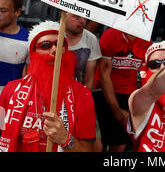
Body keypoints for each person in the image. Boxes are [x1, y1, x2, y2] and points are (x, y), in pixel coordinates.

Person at [0, 20, 96, 152]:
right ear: (33, 52)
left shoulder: (82, 94)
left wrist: (66, 139)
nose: (55, 49)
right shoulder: (10, 90)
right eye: (46, 45)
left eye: (60, 44)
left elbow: (89, 150)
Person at [93, 27, 152, 152]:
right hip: (104, 91)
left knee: (121, 145)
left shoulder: (146, 40)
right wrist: (116, 109)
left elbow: (146, 76)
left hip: (130, 94)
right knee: (100, 145)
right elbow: (104, 75)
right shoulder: (110, 36)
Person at [0, 0, 29, 94]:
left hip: (9, 101)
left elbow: (28, 80)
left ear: (17, 12)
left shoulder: (28, 40)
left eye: (3, 11)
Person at [65, 13, 101, 89]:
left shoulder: (91, 39)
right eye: (76, 16)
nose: (82, 21)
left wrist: (84, 98)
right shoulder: (51, 34)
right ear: (64, 16)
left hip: (75, 92)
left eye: (85, 17)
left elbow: (89, 80)